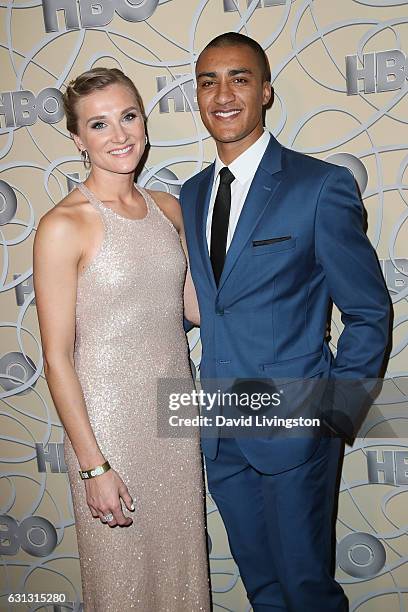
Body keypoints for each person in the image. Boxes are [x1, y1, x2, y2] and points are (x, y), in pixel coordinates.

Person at [180, 33, 390, 611]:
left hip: (295, 431)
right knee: (264, 592)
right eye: (207, 81)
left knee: (306, 591)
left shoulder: (319, 186)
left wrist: (334, 415)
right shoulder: (192, 194)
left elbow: (369, 312)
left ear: (266, 91)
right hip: (220, 431)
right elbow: (211, 305)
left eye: (239, 78)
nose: (222, 94)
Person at [33, 67, 210, 611]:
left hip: (173, 425)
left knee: (182, 577)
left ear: (144, 121)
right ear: (78, 139)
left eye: (128, 116)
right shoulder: (64, 225)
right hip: (109, 432)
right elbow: (57, 358)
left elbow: (194, 310)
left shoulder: (168, 210)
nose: (119, 135)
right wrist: (94, 465)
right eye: (99, 124)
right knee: (123, 586)